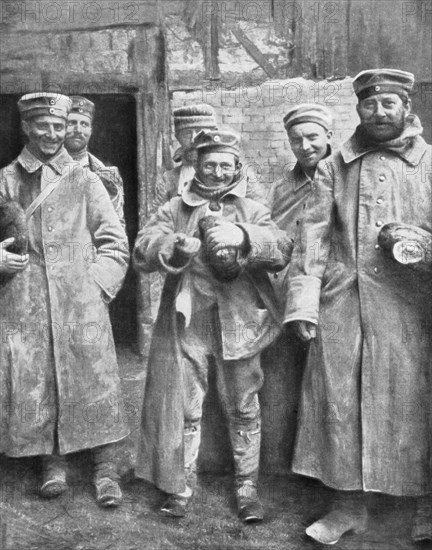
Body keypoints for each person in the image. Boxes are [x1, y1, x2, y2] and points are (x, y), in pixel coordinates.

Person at [284, 69, 432, 544]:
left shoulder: (429, 163)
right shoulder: (334, 168)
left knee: (414, 403)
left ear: (407, 107)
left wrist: (421, 247)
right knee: (339, 404)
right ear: (358, 110)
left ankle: (424, 506)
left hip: (410, 308)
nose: (380, 113)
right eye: (370, 104)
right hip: (343, 303)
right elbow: (312, 241)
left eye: (390, 103)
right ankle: (346, 505)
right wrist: (305, 306)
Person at [133, 129, 291, 523]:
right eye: (209, 165)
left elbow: (282, 248)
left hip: (241, 319)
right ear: (196, 168)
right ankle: (181, 485)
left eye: (225, 165)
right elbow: (142, 247)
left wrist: (244, 235)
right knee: (186, 407)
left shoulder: (252, 208)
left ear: (237, 167)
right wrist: (171, 245)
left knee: (243, 405)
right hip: (190, 319)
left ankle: (247, 487)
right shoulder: (176, 206)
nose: (218, 173)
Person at [0, 92, 130, 507]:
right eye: (44, 126)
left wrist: (95, 287)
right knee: (36, 379)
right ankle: (50, 461)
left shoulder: (86, 179)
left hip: (81, 300)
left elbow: (115, 244)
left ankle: (106, 468)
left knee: (95, 378)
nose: (54, 134)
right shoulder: (5, 179)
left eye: (60, 126)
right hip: (25, 299)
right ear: (26, 127)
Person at [265, 104, 334, 463]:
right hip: (285, 292)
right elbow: (273, 233)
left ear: (328, 138)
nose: (305, 146)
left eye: (313, 137)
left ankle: (321, 464)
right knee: (282, 375)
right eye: (297, 140)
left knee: (325, 381)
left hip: (330, 290)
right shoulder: (281, 188)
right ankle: (282, 461)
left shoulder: (344, 178)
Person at [65, 95, 125, 226]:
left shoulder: (107, 176)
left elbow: (116, 227)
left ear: (91, 130)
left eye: (84, 124)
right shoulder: (43, 170)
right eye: (71, 123)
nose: (78, 130)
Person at [153, 104, 218, 209]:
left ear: (214, 134)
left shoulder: (234, 176)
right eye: (186, 134)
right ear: (177, 137)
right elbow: (157, 219)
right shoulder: (168, 179)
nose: (193, 140)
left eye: (199, 132)